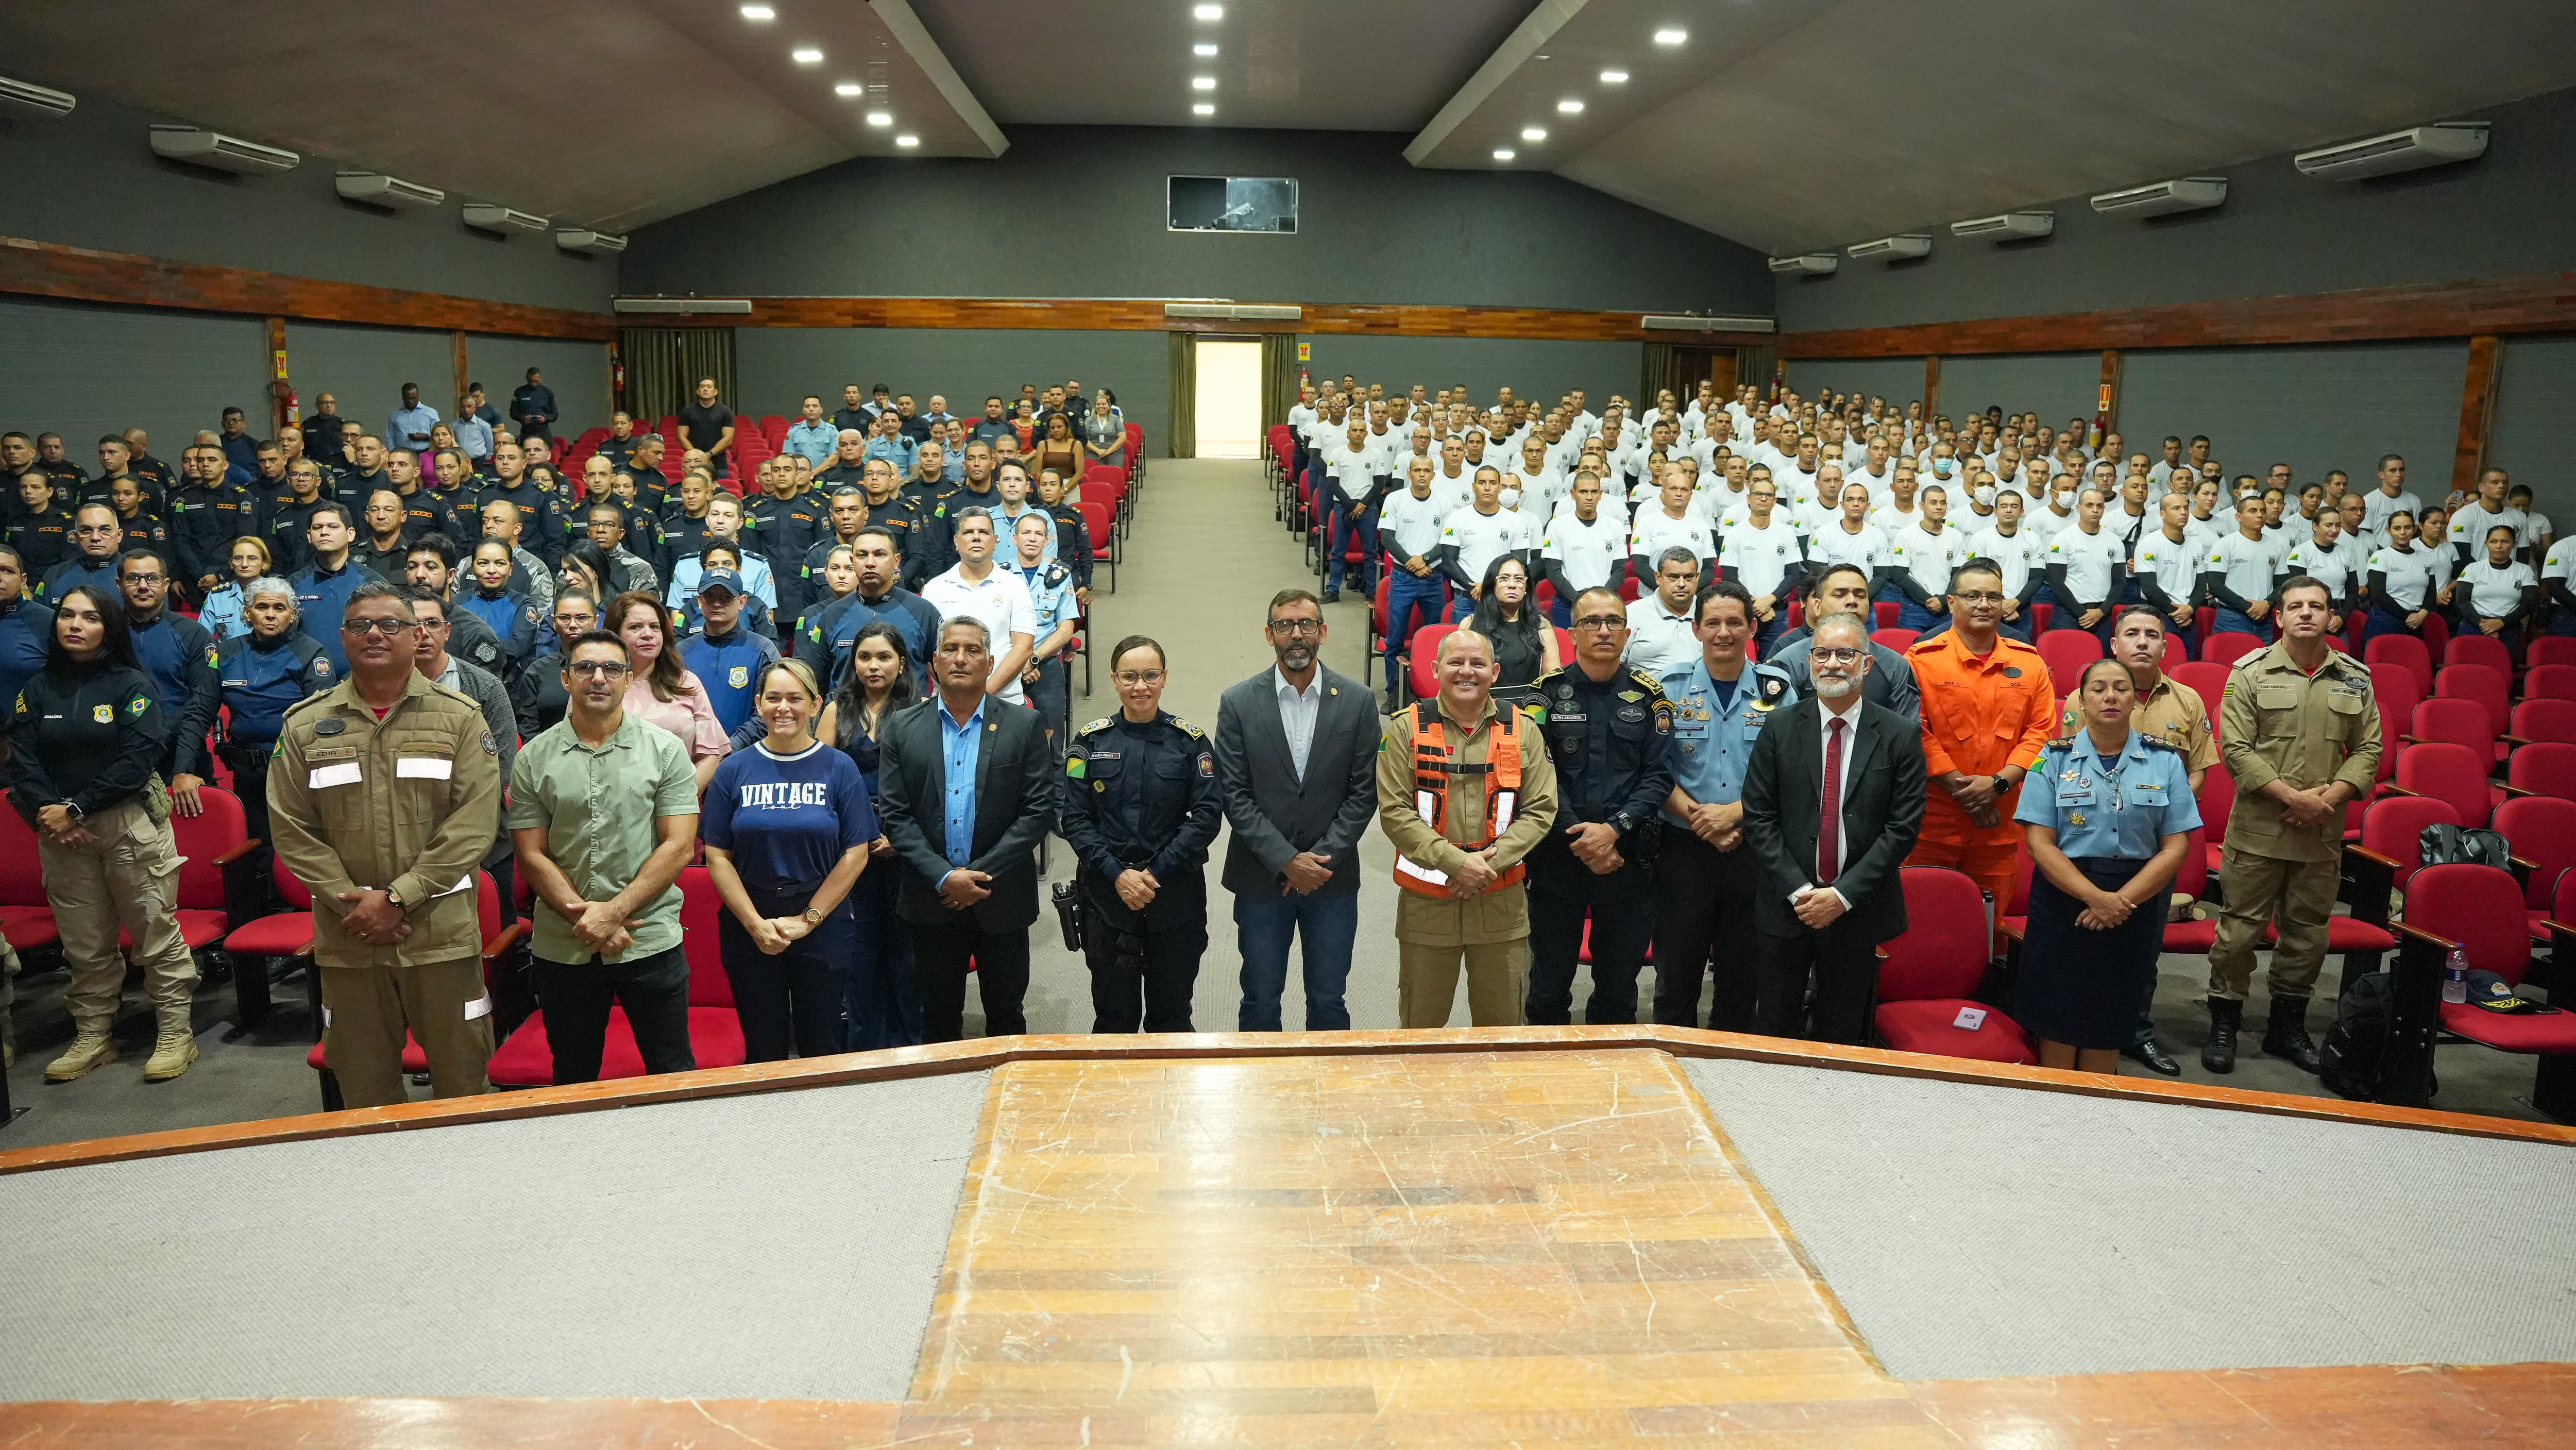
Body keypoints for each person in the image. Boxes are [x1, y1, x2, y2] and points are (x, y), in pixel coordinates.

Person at [261, 584, 503, 1105]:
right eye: (360, 625)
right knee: (365, 1089)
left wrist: (398, 898)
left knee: (464, 1084)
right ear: (342, 637)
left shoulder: (460, 718)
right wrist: (355, 904)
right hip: (350, 938)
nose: (374, 633)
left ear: (417, 636)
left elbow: (474, 823)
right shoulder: (305, 725)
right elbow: (291, 828)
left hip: (439, 937)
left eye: (390, 624)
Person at [6, 585, 206, 1082]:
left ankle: (175, 1033)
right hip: (59, 831)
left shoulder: (131, 685)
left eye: (90, 617)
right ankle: (94, 1035)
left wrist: (76, 809)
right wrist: (53, 815)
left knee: (154, 933)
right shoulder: (38, 688)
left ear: (109, 628)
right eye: (67, 615)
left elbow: (137, 760)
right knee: (84, 942)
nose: (75, 625)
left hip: (126, 824)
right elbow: (23, 759)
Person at [2202, 576, 2381, 1075]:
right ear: (2278, 617)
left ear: (2330, 617)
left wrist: (2331, 797)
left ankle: (2286, 1027)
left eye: (2316, 606)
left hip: (2320, 830)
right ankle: (2224, 1022)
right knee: (2238, 933)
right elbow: (2234, 748)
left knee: (2307, 937)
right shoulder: (2250, 673)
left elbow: (2368, 748)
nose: (2306, 613)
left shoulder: (2354, 677)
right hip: (2260, 828)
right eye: (2295, 606)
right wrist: (2291, 798)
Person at [510, 631, 701, 1083]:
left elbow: (678, 846)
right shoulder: (532, 758)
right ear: (566, 679)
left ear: (629, 679)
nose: (599, 678)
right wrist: (589, 919)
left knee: (673, 1072)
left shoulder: (666, 750)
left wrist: (613, 913)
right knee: (573, 1076)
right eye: (585, 668)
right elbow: (530, 855)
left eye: (612, 669)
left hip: (648, 938)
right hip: (565, 945)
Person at [1739, 611, 1927, 1044]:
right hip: (1787, 906)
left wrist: (1841, 896)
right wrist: (1800, 892)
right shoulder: (1779, 727)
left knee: (1843, 1035)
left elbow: (1902, 829)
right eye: (1822, 654)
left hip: (1858, 909)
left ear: (1867, 664)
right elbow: (1759, 816)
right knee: (1775, 1030)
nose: (1832, 664)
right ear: (1809, 662)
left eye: (1846, 654)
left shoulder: (1899, 735)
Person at [2013, 658, 2201, 1074]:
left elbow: (2176, 847)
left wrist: (2120, 902)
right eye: (2098, 689)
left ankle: (2099, 1099)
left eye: (2121, 688)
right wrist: (2096, 898)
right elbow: (2039, 844)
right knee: (2058, 1015)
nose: (2110, 696)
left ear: (2135, 700)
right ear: (2081, 701)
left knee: (2110, 1015)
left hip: (2134, 903)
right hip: (2065, 899)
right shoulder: (2052, 759)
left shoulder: (2165, 761)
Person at [876, 617, 1055, 1042]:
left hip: (1002, 897)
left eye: (973, 650)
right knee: (937, 1019)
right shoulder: (901, 726)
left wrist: (977, 877)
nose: (960, 658)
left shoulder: (1025, 725)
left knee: (1007, 1016)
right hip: (930, 898)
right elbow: (896, 816)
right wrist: (945, 877)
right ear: (934, 662)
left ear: (990, 663)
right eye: (951, 649)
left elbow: (1037, 812)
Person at [1375, 628, 1561, 1027]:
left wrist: (1486, 866)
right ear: (1435, 669)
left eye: (1478, 663)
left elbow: (1542, 809)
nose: (1466, 671)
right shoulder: (1404, 729)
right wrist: (1456, 863)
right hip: (1427, 907)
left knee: (1501, 1030)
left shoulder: (1524, 729)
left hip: (1501, 907)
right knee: (1421, 1030)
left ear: (1495, 672)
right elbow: (1394, 811)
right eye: (1455, 662)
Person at [1213, 589, 1379, 1033]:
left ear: (1323, 632)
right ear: (1270, 635)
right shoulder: (1238, 702)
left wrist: (1319, 862)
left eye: (1307, 624)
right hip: (1261, 879)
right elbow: (1234, 794)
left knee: (1329, 1001)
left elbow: (1364, 793)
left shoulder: (1359, 701)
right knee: (1260, 1000)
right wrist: (1287, 860)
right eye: (1285, 625)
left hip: (1332, 880)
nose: (1297, 634)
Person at [700, 659, 874, 1062]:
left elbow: (856, 853)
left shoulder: (840, 768)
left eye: (795, 699)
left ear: (815, 705)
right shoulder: (733, 769)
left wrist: (808, 919)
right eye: (774, 698)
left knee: (823, 1045)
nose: (784, 708)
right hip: (750, 918)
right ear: (759, 704)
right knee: (763, 1048)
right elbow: (717, 855)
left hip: (822, 918)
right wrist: (754, 923)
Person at [1522, 587, 1674, 1026]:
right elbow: (1537, 776)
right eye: (1591, 622)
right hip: (1557, 858)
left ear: (1627, 633)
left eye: (1613, 622)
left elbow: (1659, 776)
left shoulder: (1651, 697)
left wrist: (1613, 831)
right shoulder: (1543, 697)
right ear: (1572, 634)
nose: (1603, 630)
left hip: (1626, 858)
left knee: (1618, 988)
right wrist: (1581, 836)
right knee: (1549, 982)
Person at [1059, 636, 1223, 1033]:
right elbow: (1075, 819)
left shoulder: (1191, 742)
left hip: (1174, 896)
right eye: (1129, 677)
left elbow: (1206, 816)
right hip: (1107, 898)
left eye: (1150, 676)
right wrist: (1118, 875)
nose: (1140, 686)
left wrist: (1153, 873)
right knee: (1113, 1020)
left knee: (1172, 1018)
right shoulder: (1087, 743)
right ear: (1114, 680)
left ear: (1164, 677)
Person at [1653, 581, 1795, 1031]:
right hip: (1683, 848)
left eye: (1735, 622)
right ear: (1696, 629)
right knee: (1676, 972)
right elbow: (1652, 770)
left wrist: (1735, 814)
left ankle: (1728, 1063)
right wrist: (1702, 820)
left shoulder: (1777, 689)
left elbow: (1792, 771)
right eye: (1712, 622)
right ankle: (1671, 1055)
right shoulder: (1669, 687)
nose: (1723, 632)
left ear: (1752, 628)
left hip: (1754, 848)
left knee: (1742, 973)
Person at [1903, 559, 2054, 930]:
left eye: (1993, 597)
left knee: (1988, 931)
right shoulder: (1920, 661)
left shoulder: (2030, 663)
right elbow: (1913, 732)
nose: (1984, 604)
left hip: (1998, 826)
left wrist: (1998, 785)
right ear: (1951, 602)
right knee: (1922, 928)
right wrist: (1968, 794)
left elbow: (2042, 733)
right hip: (1932, 825)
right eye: (1972, 596)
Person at [818, 623, 918, 1048]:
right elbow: (823, 782)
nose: (873, 666)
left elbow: (931, 785)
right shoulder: (834, 710)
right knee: (860, 958)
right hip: (850, 847)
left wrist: (899, 837)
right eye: (864, 657)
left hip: (907, 848)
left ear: (901, 663)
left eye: (883, 657)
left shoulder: (921, 710)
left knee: (907, 958)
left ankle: (913, 1052)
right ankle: (865, 1052)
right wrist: (858, 835)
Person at [117, 548, 219, 815]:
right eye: (133, 578)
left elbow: (202, 706)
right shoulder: (103, 633)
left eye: (152, 578)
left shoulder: (194, 634)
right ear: (119, 584)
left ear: (165, 585)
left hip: (180, 761)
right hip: (116, 764)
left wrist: (183, 768)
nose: (143, 586)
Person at [605, 588, 731, 791]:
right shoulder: (597, 684)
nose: (648, 634)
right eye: (636, 627)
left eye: (655, 627)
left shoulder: (687, 683)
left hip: (681, 801)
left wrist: (679, 801)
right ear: (615, 634)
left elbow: (710, 756)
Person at [1768, 564, 1922, 718]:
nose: (1852, 601)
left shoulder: (1895, 665)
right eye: (1840, 595)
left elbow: (1906, 729)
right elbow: (1776, 726)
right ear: (1817, 606)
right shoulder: (1788, 661)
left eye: (1860, 596)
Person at [919, 508, 1037, 704]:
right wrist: (957, 697)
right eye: (968, 532)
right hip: (947, 703)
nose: (976, 538)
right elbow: (927, 651)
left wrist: (982, 697)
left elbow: (1024, 647)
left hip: (1004, 702)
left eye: (984, 532)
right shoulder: (935, 589)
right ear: (957, 541)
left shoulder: (1015, 586)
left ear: (995, 541)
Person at [679, 568, 782, 752]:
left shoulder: (763, 650)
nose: (717, 603)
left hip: (748, 756)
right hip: (690, 755)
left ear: (742, 602)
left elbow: (770, 709)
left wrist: (731, 748)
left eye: (726, 598)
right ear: (700, 602)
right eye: (709, 597)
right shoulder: (680, 652)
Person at [1467, 554, 1560, 714]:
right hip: (1482, 708)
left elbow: (1552, 681)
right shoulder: (1470, 624)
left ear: (1526, 587)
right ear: (1492, 585)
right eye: (1504, 579)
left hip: (1531, 709)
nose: (1512, 585)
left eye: (1519, 579)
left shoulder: (1541, 626)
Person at [2363, 510, 2446, 642]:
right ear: (2388, 531)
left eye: (2407, 528)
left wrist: (2422, 613)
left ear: (2415, 529)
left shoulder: (2426, 558)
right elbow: (2378, 593)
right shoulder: (2381, 557)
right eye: (2397, 528)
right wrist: (2408, 616)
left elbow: (2431, 592)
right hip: (2385, 620)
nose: (2403, 532)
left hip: (2417, 621)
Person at [2455, 522, 2538, 644]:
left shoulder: (2525, 571)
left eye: (2505, 542)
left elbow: (2529, 603)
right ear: (2486, 544)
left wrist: (2501, 623)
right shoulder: (2472, 569)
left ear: (2514, 544)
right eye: (2493, 542)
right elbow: (2462, 601)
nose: (2499, 546)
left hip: (2509, 627)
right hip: (2474, 625)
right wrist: (2484, 625)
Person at [676, 377, 737, 478]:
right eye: (702, 387)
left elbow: (728, 438)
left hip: (719, 464)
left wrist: (709, 455)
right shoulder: (687, 411)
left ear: (716, 392)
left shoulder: (725, 412)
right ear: (698, 391)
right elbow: (682, 437)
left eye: (709, 387)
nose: (705, 389)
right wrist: (698, 456)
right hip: (693, 464)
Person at [509, 367, 558, 444]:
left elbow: (555, 414)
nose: (533, 384)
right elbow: (513, 412)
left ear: (540, 378)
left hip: (543, 430)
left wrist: (546, 419)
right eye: (530, 381)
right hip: (526, 430)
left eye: (536, 381)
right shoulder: (519, 392)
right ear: (527, 378)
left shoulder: (547, 393)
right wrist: (523, 418)